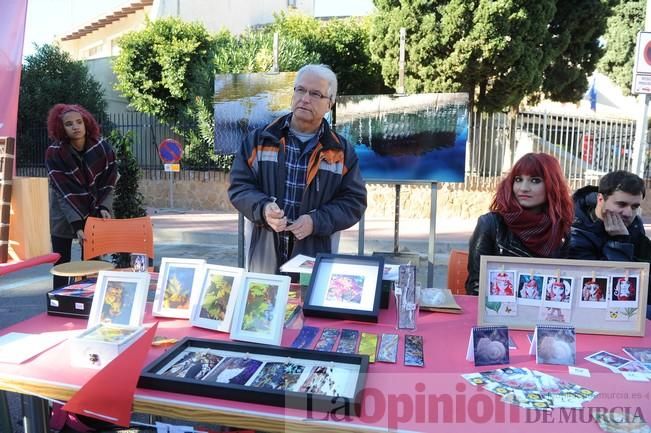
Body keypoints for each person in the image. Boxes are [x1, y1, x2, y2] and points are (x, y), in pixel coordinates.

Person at [228, 64, 367, 274]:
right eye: (300, 90)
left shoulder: (341, 151)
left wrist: (315, 221)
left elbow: (354, 202)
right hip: (264, 256)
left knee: (306, 307)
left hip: (313, 258)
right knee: (263, 305)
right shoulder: (259, 140)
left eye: (315, 93)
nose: (305, 98)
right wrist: (264, 209)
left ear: (329, 104)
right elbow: (239, 187)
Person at [465, 153, 573, 295]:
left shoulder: (562, 231)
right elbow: (476, 286)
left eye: (535, 180)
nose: (523, 188)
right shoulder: (491, 224)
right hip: (498, 314)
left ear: (552, 185)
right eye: (518, 179)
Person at [45, 104, 118, 288]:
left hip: (94, 211)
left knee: (92, 263)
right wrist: (77, 224)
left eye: (79, 122)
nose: (75, 127)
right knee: (62, 264)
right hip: (63, 216)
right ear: (61, 128)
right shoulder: (54, 153)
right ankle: (61, 302)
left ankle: (91, 299)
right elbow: (62, 192)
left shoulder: (102, 148)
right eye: (69, 124)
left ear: (86, 123)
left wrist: (104, 207)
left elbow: (110, 181)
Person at [569, 170, 651, 318]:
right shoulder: (577, 229)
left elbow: (644, 274)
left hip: (634, 302)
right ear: (600, 199)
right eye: (621, 204)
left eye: (634, 206)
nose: (628, 213)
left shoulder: (634, 224)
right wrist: (620, 241)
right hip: (597, 309)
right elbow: (601, 285)